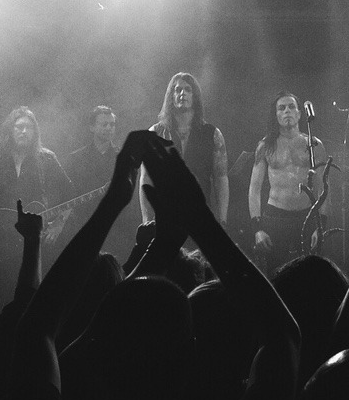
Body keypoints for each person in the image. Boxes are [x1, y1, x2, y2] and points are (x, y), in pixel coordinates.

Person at [0, 107, 74, 272]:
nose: (24, 131)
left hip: (34, 240)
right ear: (10, 131)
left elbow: (69, 193)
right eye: (19, 127)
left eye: (29, 127)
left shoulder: (46, 159)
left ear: (35, 132)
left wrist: (59, 224)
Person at [248, 91, 327, 273]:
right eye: (281, 108)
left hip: (306, 215)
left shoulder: (314, 145)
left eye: (291, 107)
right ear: (276, 115)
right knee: (277, 273)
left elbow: (323, 188)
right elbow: (254, 188)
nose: (287, 111)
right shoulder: (265, 145)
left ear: (299, 113)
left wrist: (321, 226)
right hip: (275, 216)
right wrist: (257, 228)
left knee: (309, 273)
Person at [140, 73, 229, 224]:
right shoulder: (155, 134)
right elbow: (146, 179)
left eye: (188, 89)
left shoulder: (212, 134)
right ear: (171, 96)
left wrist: (222, 220)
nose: (183, 93)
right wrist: (146, 219)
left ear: (195, 96)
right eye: (178, 89)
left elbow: (220, 179)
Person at [66, 106, 119, 191]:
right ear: (92, 127)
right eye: (104, 124)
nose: (109, 128)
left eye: (112, 124)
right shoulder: (76, 159)